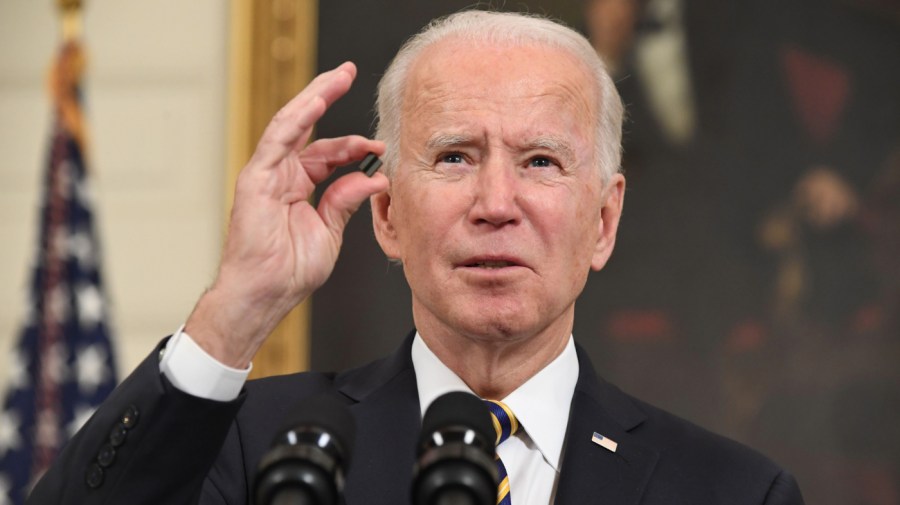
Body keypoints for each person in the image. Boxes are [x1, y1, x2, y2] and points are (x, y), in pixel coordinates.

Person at [28, 10, 803, 505]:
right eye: (456, 156)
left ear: (603, 220)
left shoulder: (732, 490)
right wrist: (237, 308)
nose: (496, 202)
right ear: (389, 214)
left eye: (539, 162)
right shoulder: (258, 451)